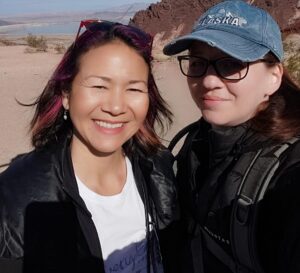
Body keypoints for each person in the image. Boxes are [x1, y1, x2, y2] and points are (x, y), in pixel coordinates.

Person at [0, 20, 178, 273]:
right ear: (65, 94)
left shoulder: (158, 166)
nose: (116, 107)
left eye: (134, 88)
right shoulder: (16, 198)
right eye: (98, 86)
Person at [163, 1, 300, 273]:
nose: (209, 81)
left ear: (273, 77)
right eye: (198, 62)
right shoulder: (199, 140)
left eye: (231, 64)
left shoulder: (289, 169)